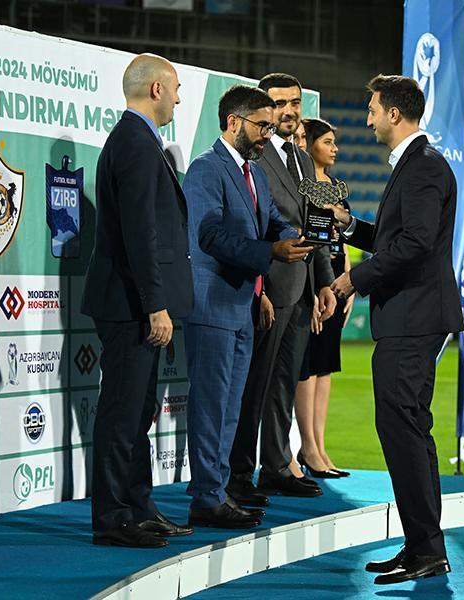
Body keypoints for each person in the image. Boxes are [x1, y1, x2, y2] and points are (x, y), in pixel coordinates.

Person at [326, 75, 462, 584]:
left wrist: (352, 280)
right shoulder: (416, 164)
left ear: (395, 114)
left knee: (403, 431)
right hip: (410, 316)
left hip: (413, 317)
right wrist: (351, 227)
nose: (367, 119)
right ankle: (422, 546)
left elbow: (416, 244)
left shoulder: (423, 166)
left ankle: (426, 548)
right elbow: (398, 238)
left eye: (372, 109)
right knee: (407, 431)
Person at [182, 84, 312, 529]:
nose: (267, 135)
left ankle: (218, 492)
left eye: (271, 128)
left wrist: (301, 237)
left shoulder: (253, 173)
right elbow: (208, 235)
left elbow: (273, 222)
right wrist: (271, 252)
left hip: (241, 305)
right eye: (261, 126)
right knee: (210, 406)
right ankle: (206, 497)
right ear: (233, 121)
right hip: (211, 304)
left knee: (230, 408)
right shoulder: (206, 168)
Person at [81, 54, 194, 548]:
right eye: (176, 89)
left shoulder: (138, 140)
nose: (178, 99)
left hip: (133, 302)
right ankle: (112, 518)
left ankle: (138, 507)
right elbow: (140, 234)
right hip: (129, 306)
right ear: (156, 89)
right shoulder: (134, 142)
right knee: (122, 414)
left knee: (137, 412)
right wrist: (155, 304)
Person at [228, 73, 336, 503]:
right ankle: (239, 472)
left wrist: (324, 281)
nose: (288, 111)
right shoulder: (253, 154)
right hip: (269, 288)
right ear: (263, 108)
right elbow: (250, 225)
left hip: (303, 288)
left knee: (284, 384)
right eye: (279, 103)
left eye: (294, 102)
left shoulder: (304, 159)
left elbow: (316, 222)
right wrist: (260, 290)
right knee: (254, 385)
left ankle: (275, 465)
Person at [294, 118, 352, 479]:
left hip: (335, 283)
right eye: (327, 142)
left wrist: (347, 282)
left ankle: (319, 444)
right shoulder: (303, 186)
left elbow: (342, 240)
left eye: (334, 142)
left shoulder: (335, 189)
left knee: (326, 365)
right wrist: (317, 288)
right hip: (313, 282)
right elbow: (309, 241)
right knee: (309, 366)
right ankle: (308, 447)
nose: (334, 148)